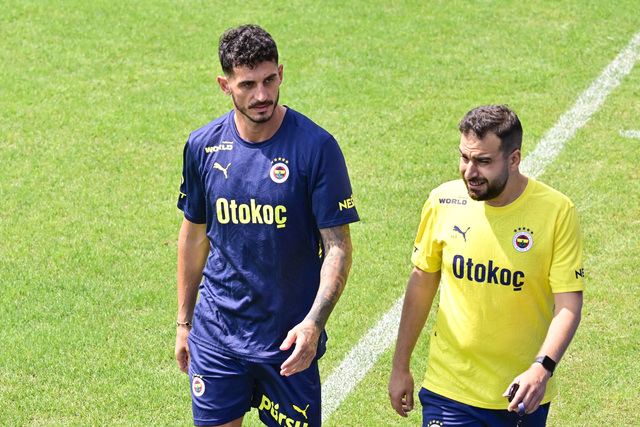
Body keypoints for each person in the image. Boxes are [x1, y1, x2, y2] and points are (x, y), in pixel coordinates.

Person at [175, 24, 359, 427]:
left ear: (281, 73)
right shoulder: (202, 146)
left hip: (288, 341)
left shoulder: (316, 147)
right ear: (225, 85)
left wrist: (313, 324)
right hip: (217, 335)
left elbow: (338, 246)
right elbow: (193, 237)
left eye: (269, 80)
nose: (262, 95)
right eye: (248, 84)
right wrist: (184, 323)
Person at [388, 105, 584, 426]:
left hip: (519, 394)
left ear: (514, 159)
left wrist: (542, 368)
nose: (469, 171)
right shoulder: (443, 201)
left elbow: (569, 304)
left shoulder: (556, 212)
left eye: (483, 161)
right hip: (448, 389)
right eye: (464, 157)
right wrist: (400, 366)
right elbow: (422, 282)